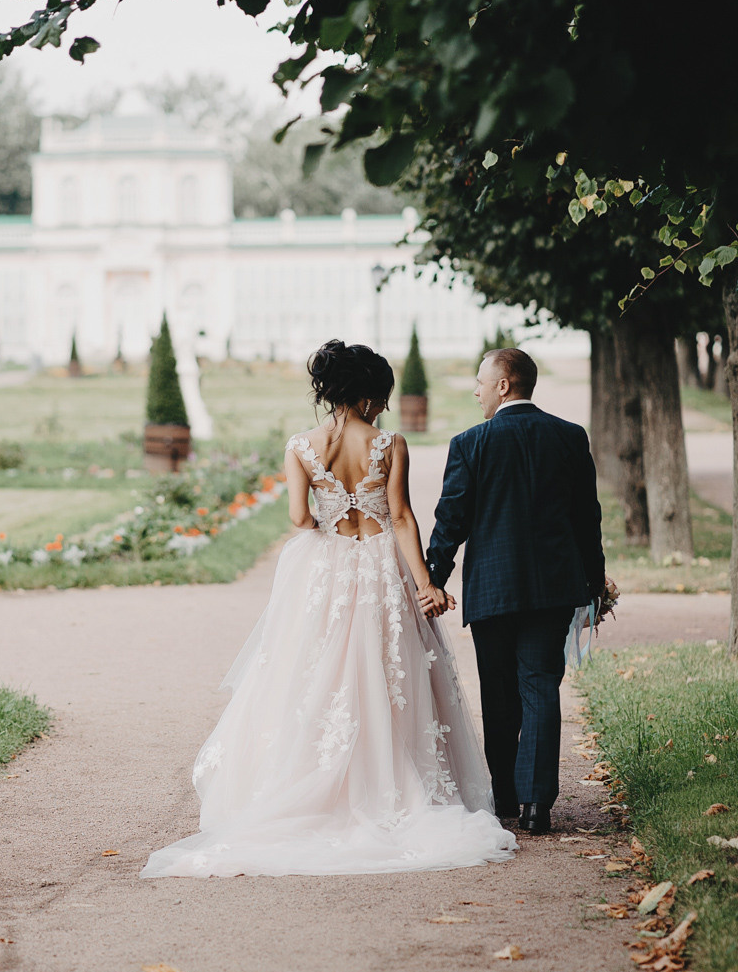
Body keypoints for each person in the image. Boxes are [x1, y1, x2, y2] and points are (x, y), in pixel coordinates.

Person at [142, 340, 516, 879]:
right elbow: (405, 517)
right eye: (380, 395)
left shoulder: (301, 445)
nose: (383, 405)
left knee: (314, 675)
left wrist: (327, 529)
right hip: (383, 568)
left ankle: (320, 785)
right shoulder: (390, 443)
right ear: (367, 393)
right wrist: (425, 583)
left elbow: (298, 518)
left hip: (327, 568)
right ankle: (389, 783)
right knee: (391, 676)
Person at [424, 347, 606, 836]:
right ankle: (535, 805)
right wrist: (594, 586)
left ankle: (503, 796)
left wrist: (431, 579)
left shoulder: (470, 444)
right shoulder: (569, 437)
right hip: (553, 590)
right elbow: (588, 519)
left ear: (504, 385)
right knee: (541, 687)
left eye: (481, 382)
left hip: (494, 591)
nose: (476, 391)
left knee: (499, 693)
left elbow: (451, 520)